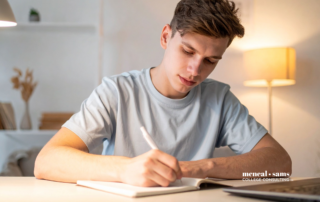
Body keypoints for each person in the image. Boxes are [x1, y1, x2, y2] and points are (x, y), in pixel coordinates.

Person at [34, 0, 292, 187]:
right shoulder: (117, 92)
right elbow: (46, 162)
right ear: (166, 37)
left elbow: (281, 166)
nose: (195, 70)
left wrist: (200, 167)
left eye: (211, 60)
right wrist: (125, 170)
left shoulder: (219, 98)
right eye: (188, 51)